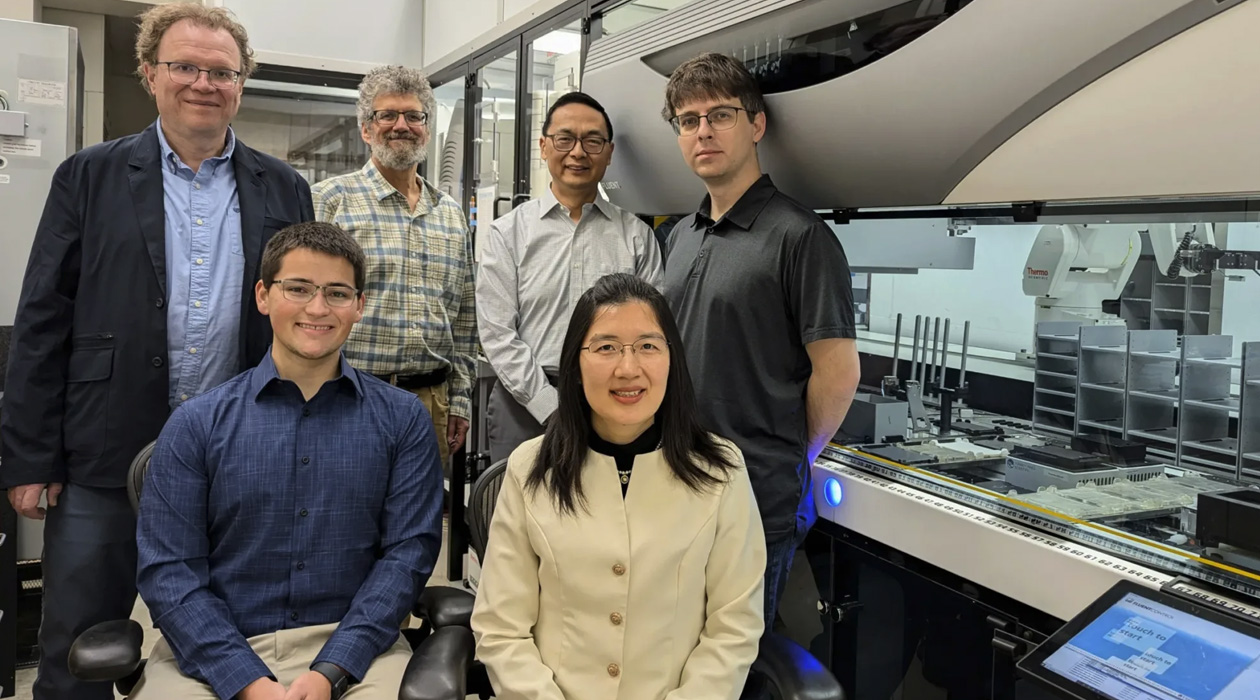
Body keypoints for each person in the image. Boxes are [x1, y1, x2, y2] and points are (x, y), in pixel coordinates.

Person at [0, 4, 313, 698]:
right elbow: (42, 319)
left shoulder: (285, 187)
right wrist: (29, 456)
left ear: (241, 84)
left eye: (222, 71)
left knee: (234, 638)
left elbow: (302, 319)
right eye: (185, 66)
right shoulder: (89, 176)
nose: (204, 82)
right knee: (79, 641)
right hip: (105, 448)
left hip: (237, 453)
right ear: (150, 75)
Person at [132, 222, 445, 700]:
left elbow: (407, 557)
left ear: (359, 305)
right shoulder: (196, 424)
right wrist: (246, 681)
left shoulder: (401, 421)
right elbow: (169, 573)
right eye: (297, 289)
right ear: (263, 295)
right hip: (215, 649)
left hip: (357, 650)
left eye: (337, 293)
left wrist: (331, 671)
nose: (317, 308)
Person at [471, 272, 765, 700]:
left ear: (671, 359)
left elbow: (734, 626)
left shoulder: (721, 470)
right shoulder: (529, 469)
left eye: (648, 346)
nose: (628, 368)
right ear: (574, 364)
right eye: (606, 347)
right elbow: (501, 629)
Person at [660, 51, 862, 631]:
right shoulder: (681, 235)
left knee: (737, 666)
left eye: (720, 115)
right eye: (689, 120)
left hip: (754, 501)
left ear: (756, 124)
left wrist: (792, 457)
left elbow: (838, 372)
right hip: (677, 484)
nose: (704, 131)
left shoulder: (801, 237)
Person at [477, 92, 664, 464]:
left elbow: (652, 333)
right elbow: (497, 333)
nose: (578, 152)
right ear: (544, 147)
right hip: (524, 405)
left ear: (608, 153)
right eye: (565, 139)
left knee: (607, 516)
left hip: (616, 403)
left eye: (593, 141)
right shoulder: (507, 233)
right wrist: (549, 406)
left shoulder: (637, 237)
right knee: (520, 517)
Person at [312, 65, 476, 469]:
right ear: (366, 128)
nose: (401, 126)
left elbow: (465, 319)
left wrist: (460, 400)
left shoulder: (450, 214)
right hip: (345, 396)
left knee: (417, 524)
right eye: (387, 115)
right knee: (340, 520)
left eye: (413, 116)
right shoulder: (329, 201)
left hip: (430, 405)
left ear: (426, 127)